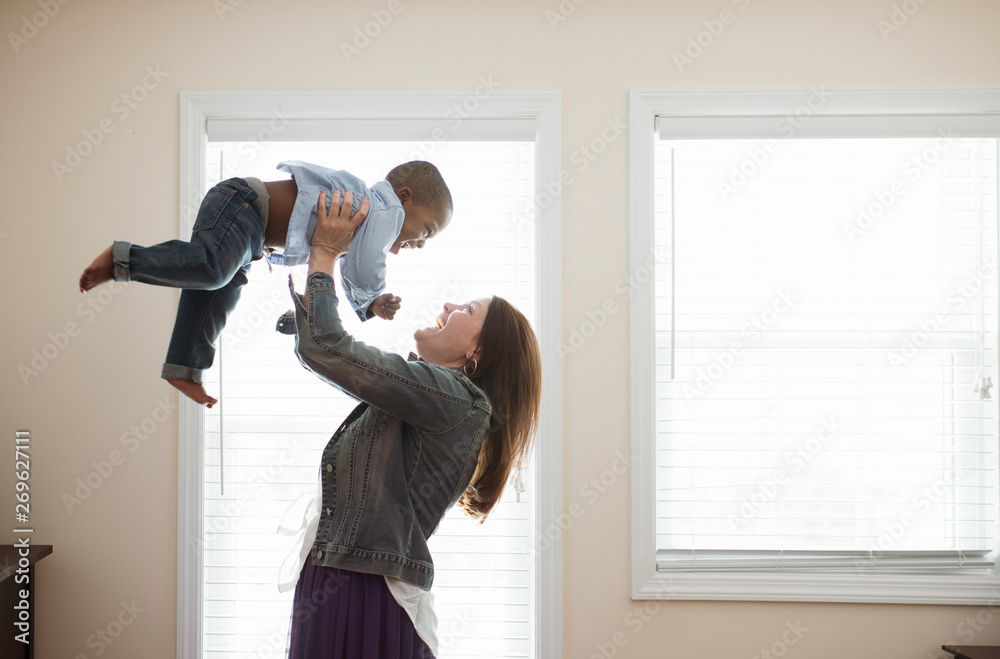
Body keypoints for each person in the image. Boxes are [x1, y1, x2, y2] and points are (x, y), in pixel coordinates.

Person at [281, 190, 542, 658]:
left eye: (467, 310)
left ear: (476, 354)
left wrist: (325, 252)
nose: (448, 306)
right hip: (340, 576)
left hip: (366, 592)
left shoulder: (457, 400)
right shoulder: (430, 397)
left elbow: (327, 348)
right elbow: (324, 349)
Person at [77, 160, 453, 408]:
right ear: (405, 198)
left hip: (251, 237)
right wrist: (370, 300)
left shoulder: (367, 219)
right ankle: (124, 258)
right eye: (427, 231)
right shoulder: (384, 211)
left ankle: (184, 367)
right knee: (211, 269)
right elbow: (367, 264)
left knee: (213, 292)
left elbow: (351, 264)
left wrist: (368, 304)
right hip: (244, 205)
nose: (420, 242)